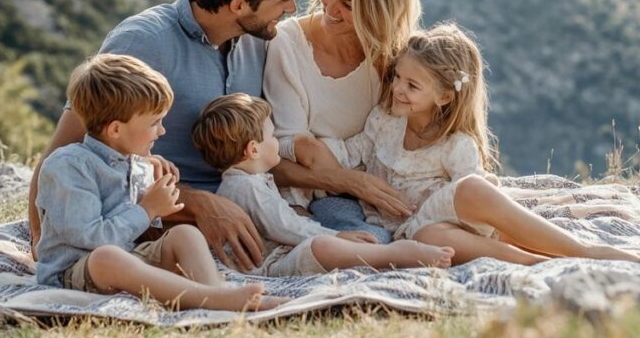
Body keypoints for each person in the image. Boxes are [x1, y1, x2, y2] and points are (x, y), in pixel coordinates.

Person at [29, 0, 311, 270]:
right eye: (283, 1)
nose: (292, 9)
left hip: (248, 202)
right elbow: (65, 150)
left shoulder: (260, 39)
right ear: (238, 5)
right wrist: (41, 244)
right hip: (161, 221)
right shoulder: (141, 43)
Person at [293, 23, 640, 266]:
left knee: (476, 191)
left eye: (412, 86)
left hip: (452, 215)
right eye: (397, 78)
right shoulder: (385, 121)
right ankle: (531, 262)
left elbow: (474, 209)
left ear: (444, 97)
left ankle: (589, 252)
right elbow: (352, 152)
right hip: (411, 231)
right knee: (434, 239)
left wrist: (482, 205)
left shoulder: (456, 145)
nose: (397, 90)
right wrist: (318, 149)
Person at [35, 54, 283, 310]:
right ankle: (211, 299)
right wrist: (148, 208)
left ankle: (216, 293)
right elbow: (91, 237)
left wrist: (157, 188)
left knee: (185, 234)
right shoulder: (70, 165)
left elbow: (143, 230)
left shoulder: (134, 161)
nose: (162, 131)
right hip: (75, 272)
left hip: (127, 259)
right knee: (106, 257)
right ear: (116, 130)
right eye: (155, 123)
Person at [264, 0, 421, 242]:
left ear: (380, 9)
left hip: (387, 188)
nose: (330, 10)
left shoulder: (394, 54)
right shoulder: (288, 45)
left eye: (348, 5)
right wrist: (352, 183)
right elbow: (279, 160)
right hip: (316, 197)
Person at [192, 93, 455, 275]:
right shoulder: (244, 187)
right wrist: (336, 236)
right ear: (253, 150)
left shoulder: (250, 180)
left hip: (280, 253)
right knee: (323, 247)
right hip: (268, 266)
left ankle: (384, 254)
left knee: (325, 246)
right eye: (271, 136)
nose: (277, 142)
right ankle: (398, 254)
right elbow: (285, 227)